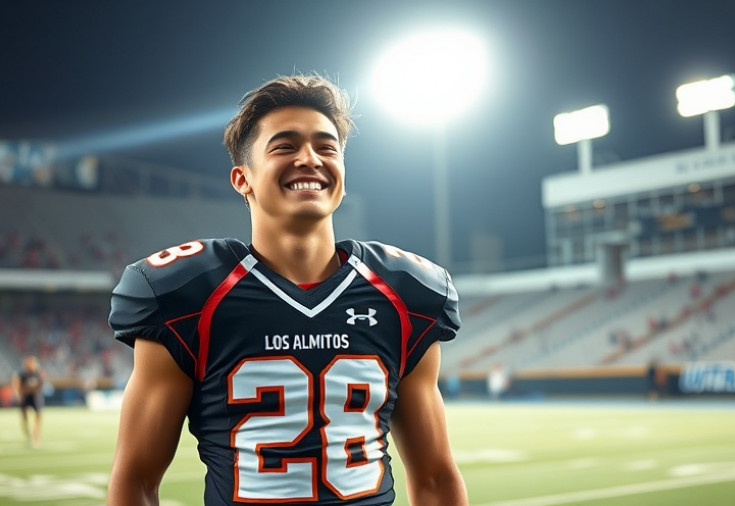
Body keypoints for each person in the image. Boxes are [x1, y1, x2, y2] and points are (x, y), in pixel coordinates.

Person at [107, 73, 468, 505]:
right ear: (242, 178)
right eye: (285, 146)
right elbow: (136, 481)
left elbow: (435, 478)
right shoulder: (188, 294)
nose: (310, 158)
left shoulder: (405, 293)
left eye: (327, 147)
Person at [11, 355, 47, 447]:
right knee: (25, 417)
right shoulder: (21, 374)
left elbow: (40, 385)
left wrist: (34, 388)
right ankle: (29, 436)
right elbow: (16, 384)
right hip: (25, 397)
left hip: (35, 397)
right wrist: (18, 395)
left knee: (38, 417)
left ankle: (36, 435)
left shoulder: (38, 373)